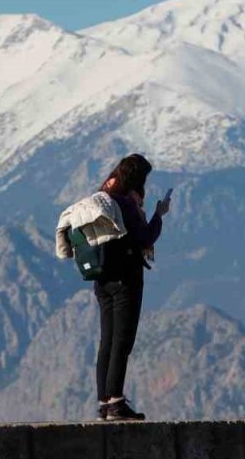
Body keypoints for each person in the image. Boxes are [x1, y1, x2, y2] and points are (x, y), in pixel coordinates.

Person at [93, 153, 170, 421]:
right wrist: (159, 215)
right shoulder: (125, 203)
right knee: (122, 342)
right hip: (126, 278)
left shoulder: (103, 198)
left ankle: (104, 402)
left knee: (107, 341)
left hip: (103, 280)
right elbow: (144, 237)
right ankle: (116, 402)